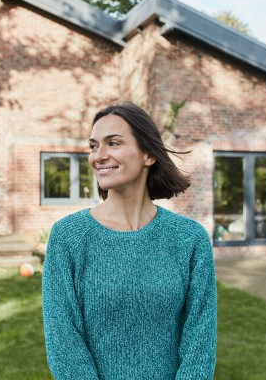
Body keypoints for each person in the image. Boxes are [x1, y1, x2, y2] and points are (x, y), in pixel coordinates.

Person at [42, 102, 217, 379]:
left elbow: (200, 340)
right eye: (93, 146)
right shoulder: (68, 237)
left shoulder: (189, 238)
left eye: (113, 143)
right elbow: (64, 343)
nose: (98, 156)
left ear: (148, 154)